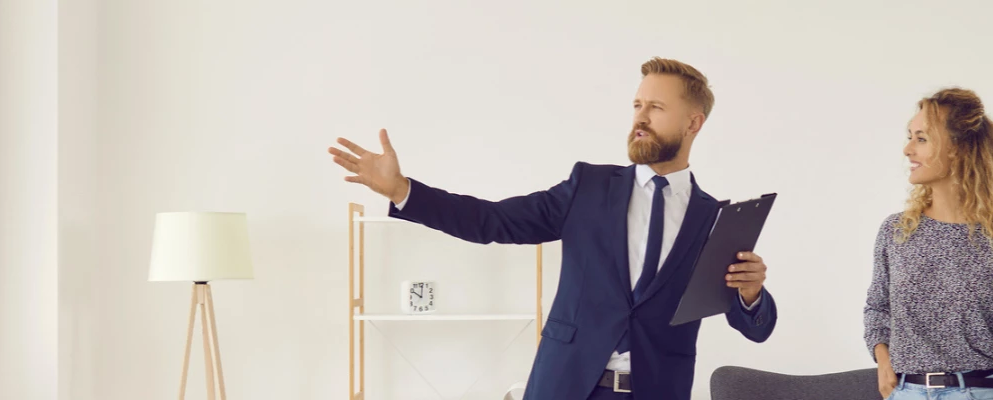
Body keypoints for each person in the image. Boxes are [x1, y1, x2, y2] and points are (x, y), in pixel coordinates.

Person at [328, 57, 778, 400]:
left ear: (693, 123)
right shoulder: (589, 187)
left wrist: (751, 293)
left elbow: (756, 329)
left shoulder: (713, 219)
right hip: (567, 386)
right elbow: (493, 221)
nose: (640, 117)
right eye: (637, 105)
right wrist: (403, 190)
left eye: (656, 107)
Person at [864, 87, 993, 400]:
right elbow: (877, 309)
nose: (907, 149)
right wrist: (883, 362)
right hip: (906, 393)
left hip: (980, 392)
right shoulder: (896, 231)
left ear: (958, 148)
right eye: (910, 136)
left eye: (921, 139)